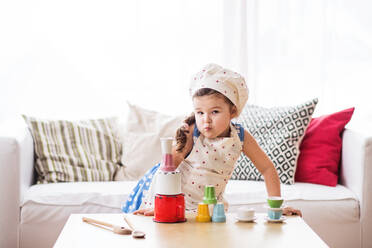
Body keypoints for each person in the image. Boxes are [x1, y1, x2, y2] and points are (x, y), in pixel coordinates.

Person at [122, 63, 302, 217]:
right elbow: (167, 169)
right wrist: (158, 205)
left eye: (214, 112)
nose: (205, 119)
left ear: (233, 111)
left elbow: (267, 168)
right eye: (200, 112)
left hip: (208, 208)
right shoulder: (193, 132)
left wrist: (276, 207)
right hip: (174, 201)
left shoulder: (240, 136)